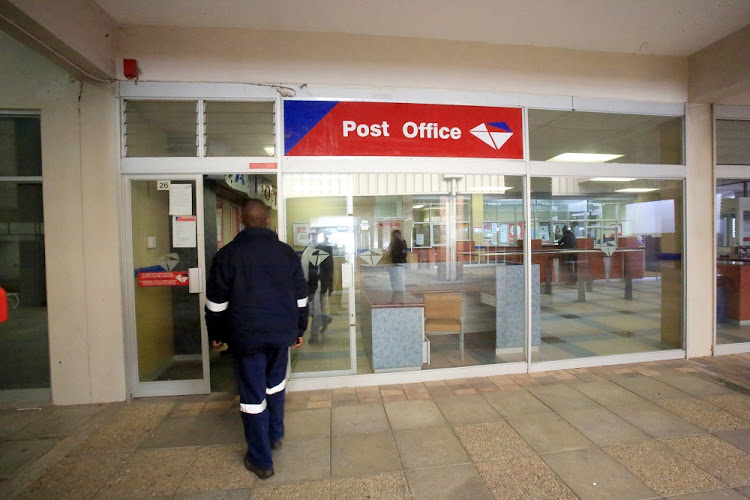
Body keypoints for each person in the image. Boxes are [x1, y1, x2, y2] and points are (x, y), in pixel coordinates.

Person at [205, 198, 309, 480]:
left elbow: (216, 303)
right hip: (280, 335)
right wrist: (299, 329)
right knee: (275, 386)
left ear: (241, 220)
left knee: (253, 396)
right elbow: (301, 297)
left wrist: (216, 333)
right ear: (267, 221)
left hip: (246, 337)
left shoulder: (227, 255)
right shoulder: (286, 254)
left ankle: (261, 460)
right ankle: (275, 435)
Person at [387, 229, 408, 301]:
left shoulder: (401, 242)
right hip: (396, 263)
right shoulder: (394, 242)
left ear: (398, 234)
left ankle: (399, 292)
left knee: (398, 278)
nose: (394, 236)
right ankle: (396, 292)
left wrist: (397, 260)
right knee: (396, 278)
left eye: (395, 235)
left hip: (399, 263)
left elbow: (403, 253)